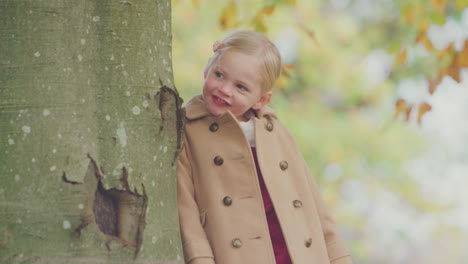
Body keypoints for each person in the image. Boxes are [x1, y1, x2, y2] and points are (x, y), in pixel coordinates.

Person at [177, 30, 353, 264]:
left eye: (241, 87)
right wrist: (200, 258)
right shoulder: (187, 129)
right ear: (207, 68)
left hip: (298, 253)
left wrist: (339, 257)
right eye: (219, 75)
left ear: (261, 100)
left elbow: (312, 202)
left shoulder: (274, 130)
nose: (225, 89)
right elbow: (185, 209)